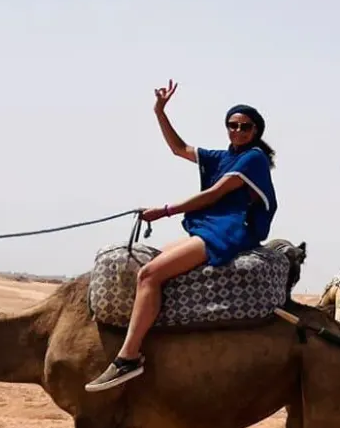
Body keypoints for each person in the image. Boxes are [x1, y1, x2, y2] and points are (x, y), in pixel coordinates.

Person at [86, 82, 277, 391]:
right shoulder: (222, 156)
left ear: (256, 131)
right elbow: (179, 148)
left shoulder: (253, 158)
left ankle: (129, 357)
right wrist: (160, 112)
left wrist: (163, 211)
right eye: (233, 125)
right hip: (207, 227)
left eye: (245, 127)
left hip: (228, 230)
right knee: (156, 264)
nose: (238, 131)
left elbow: (214, 194)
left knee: (150, 274)